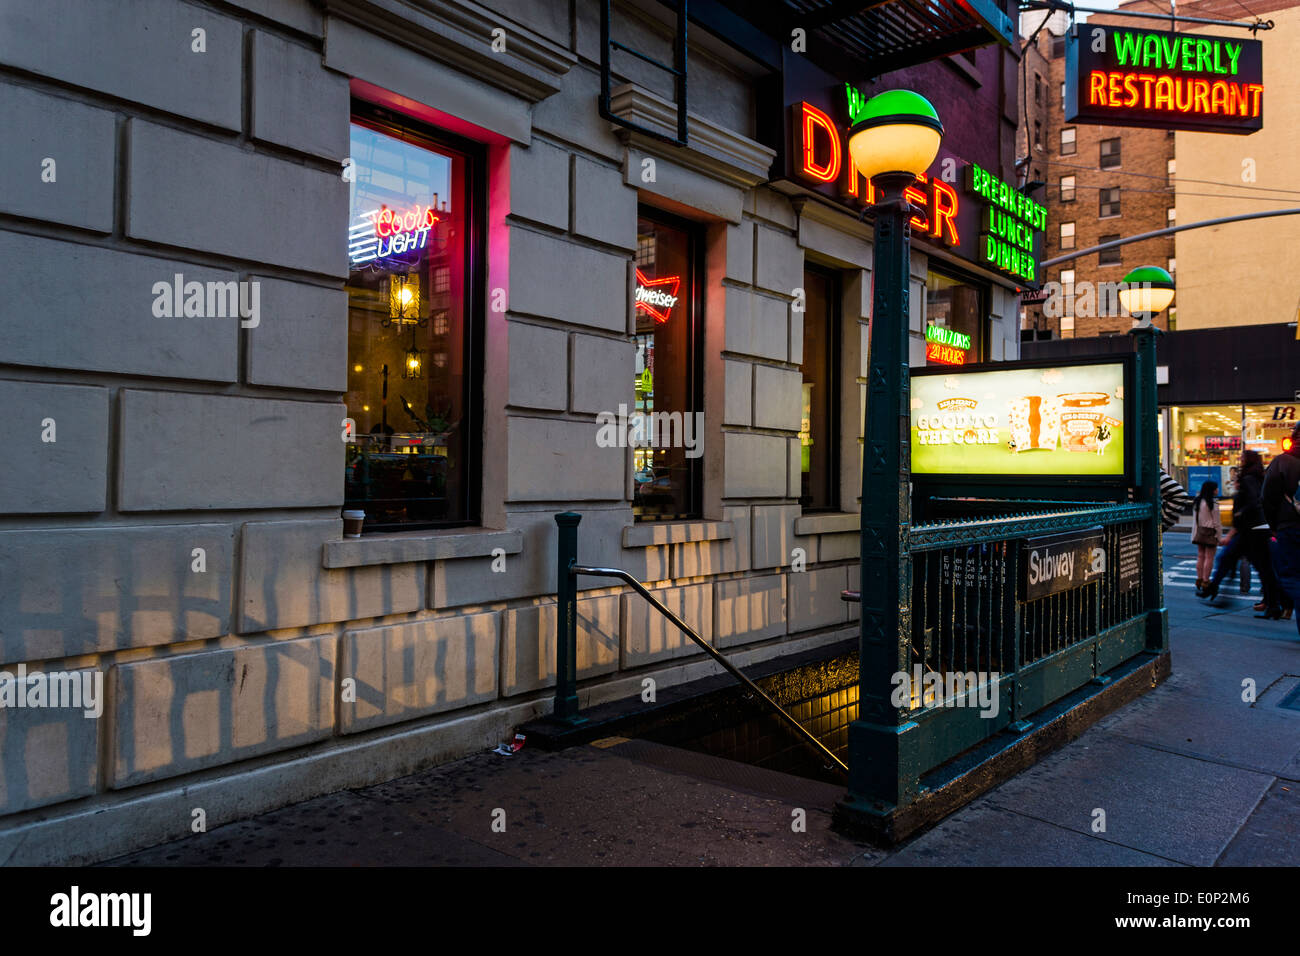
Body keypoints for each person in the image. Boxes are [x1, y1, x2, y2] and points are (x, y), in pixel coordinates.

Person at [1203, 450, 1291, 619]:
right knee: (1261, 568)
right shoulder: (1259, 477)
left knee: (1234, 560)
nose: (1240, 460)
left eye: (1243, 458)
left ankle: (1216, 590)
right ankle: (1273, 605)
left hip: (1251, 530)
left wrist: (1239, 514)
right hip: (1258, 529)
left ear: (1248, 461)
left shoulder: (1249, 479)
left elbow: (1254, 501)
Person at [1262, 421, 1300, 637]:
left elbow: (1267, 498)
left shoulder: (1282, 462)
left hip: (1290, 526)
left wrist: (1274, 526)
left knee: (1291, 576)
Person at [1191, 480, 1219, 595]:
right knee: (1209, 557)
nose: (1217, 490)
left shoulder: (1197, 502)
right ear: (1212, 490)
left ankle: (1199, 579)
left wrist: (1194, 534)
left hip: (1200, 532)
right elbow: (1217, 523)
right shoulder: (1213, 504)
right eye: (1216, 488)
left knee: (1200, 556)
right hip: (1210, 532)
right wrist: (1219, 536)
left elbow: (1195, 521)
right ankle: (1206, 580)